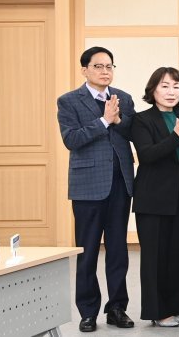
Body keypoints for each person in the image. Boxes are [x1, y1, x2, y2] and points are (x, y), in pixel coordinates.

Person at [56, 46, 136, 332]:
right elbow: (72, 139)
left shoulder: (123, 98)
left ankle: (117, 308)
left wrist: (119, 120)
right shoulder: (68, 101)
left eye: (109, 66)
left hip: (120, 184)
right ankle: (88, 312)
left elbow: (132, 133)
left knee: (118, 251)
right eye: (99, 66)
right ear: (85, 70)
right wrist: (104, 121)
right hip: (87, 186)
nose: (105, 71)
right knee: (88, 251)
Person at [130, 67, 179, 328]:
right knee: (155, 259)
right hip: (154, 199)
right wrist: (177, 136)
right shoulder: (142, 119)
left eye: (176, 86)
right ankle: (157, 311)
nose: (171, 91)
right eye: (165, 86)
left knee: (177, 257)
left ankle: (173, 308)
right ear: (153, 90)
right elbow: (147, 155)